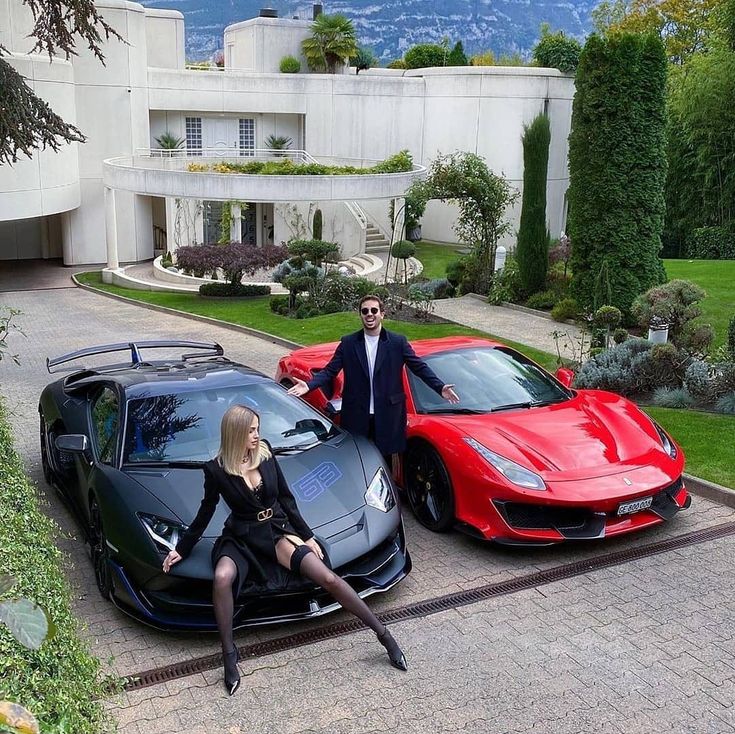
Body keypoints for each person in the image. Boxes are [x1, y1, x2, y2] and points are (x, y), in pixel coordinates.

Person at [162, 404, 407, 696]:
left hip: (277, 532)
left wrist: (308, 536)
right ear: (236, 432)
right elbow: (205, 511)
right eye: (251, 430)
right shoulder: (216, 469)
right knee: (223, 577)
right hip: (240, 538)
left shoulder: (264, 452)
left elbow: (288, 499)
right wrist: (183, 547)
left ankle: (385, 636)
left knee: (327, 578)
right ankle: (229, 655)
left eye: (257, 428)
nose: (256, 435)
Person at [287, 294, 459, 462]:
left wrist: (440, 387)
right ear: (360, 315)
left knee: (384, 462)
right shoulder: (348, 343)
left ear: (382, 314)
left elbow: (419, 367)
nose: (369, 314)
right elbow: (330, 371)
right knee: (357, 460)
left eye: (374, 310)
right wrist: (309, 386)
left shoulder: (397, 342)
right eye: (365, 311)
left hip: (387, 414)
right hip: (357, 415)